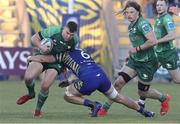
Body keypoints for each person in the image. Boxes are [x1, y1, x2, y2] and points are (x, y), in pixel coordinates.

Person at [28, 48, 155, 117]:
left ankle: (93, 105)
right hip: (101, 74)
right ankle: (144, 112)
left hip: (89, 78)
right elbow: (82, 67)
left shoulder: (62, 55)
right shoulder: (80, 51)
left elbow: (45, 59)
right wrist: (69, 80)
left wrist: (31, 58)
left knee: (68, 95)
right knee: (117, 97)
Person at [97, 0, 170, 117]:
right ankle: (104, 109)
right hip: (135, 61)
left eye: (132, 12)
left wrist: (136, 50)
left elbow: (152, 41)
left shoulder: (143, 24)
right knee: (118, 83)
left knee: (142, 92)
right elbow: (137, 42)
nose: (129, 15)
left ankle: (163, 98)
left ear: (138, 12)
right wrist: (130, 54)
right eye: (127, 12)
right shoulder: (131, 25)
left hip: (148, 63)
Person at [16, 20, 79, 117]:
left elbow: (68, 56)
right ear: (64, 28)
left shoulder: (75, 40)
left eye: (71, 35)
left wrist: (66, 76)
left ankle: (37, 111)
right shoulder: (53, 31)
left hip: (56, 63)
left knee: (45, 85)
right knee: (28, 78)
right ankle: (31, 94)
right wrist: (41, 46)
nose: (68, 36)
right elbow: (33, 38)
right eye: (67, 33)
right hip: (42, 56)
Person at [138, 0, 180, 111]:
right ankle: (141, 102)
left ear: (166, 6)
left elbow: (172, 35)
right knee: (147, 75)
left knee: (177, 79)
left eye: (162, 5)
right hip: (157, 54)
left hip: (168, 54)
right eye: (158, 5)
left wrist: (157, 41)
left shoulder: (167, 18)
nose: (159, 7)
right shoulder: (159, 18)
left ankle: (148, 101)